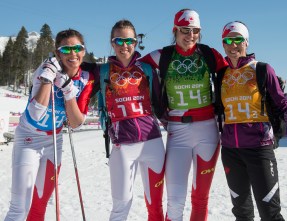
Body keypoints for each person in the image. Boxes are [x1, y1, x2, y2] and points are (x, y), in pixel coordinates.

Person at [217, 21, 287, 221]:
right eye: (228, 40)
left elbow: (282, 104)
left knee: (270, 213)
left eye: (238, 39)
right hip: (231, 151)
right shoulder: (221, 75)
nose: (233, 45)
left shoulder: (261, 69)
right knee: (241, 213)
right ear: (223, 44)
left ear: (246, 42)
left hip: (259, 148)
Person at [140, 9, 228, 221]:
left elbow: (231, 73)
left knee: (200, 198)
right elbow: (134, 68)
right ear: (175, 30)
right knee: (176, 200)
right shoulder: (163, 55)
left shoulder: (209, 54)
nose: (190, 35)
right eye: (185, 30)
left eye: (195, 30)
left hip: (208, 131)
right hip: (177, 132)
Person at [4, 29, 95, 221]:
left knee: (40, 204)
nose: (73, 54)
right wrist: (47, 79)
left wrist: (69, 90)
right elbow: (36, 114)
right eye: (66, 49)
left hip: (54, 141)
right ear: (57, 52)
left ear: (84, 51)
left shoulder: (86, 79)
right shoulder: (45, 69)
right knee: (20, 207)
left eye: (78, 48)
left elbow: (76, 123)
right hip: (29, 138)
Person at [93, 19, 166, 221]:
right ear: (112, 42)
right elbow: (97, 103)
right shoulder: (103, 71)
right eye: (119, 40)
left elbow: (158, 103)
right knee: (121, 206)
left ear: (135, 42)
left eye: (129, 41)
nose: (124, 46)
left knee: (155, 205)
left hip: (152, 143)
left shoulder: (148, 70)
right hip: (122, 146)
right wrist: (108, 127)